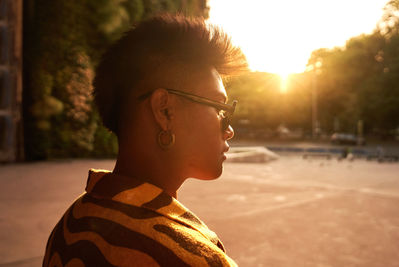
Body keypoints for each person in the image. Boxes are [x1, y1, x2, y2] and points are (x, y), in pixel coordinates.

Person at [43, 13, 247, 266]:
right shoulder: (189, 257)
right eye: (219, 109)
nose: (229, 130)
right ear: (165, 111)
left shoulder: (70, 223)